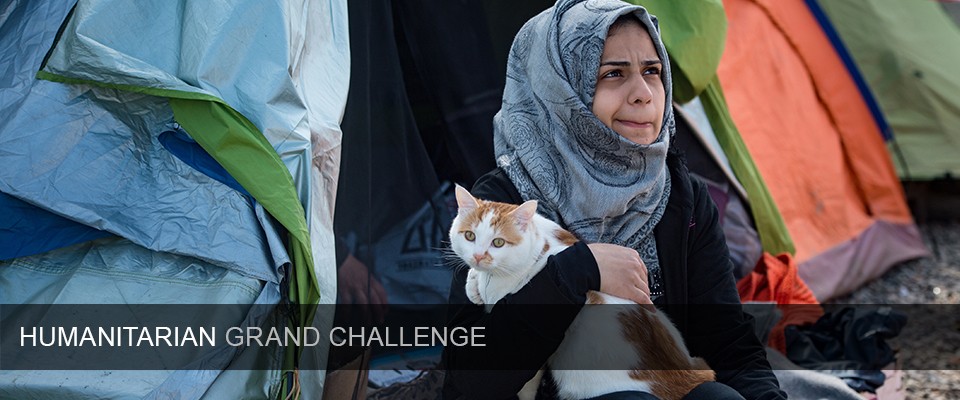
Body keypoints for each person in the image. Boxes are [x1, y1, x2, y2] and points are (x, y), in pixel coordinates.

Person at [442, 0, 787, 399]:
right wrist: (578, 271)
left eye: (652, 71)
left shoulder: (681, 197)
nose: (643, 94)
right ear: (560, 88)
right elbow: (469, 380)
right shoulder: (500, 207)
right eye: (613, 74)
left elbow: (728, 342)